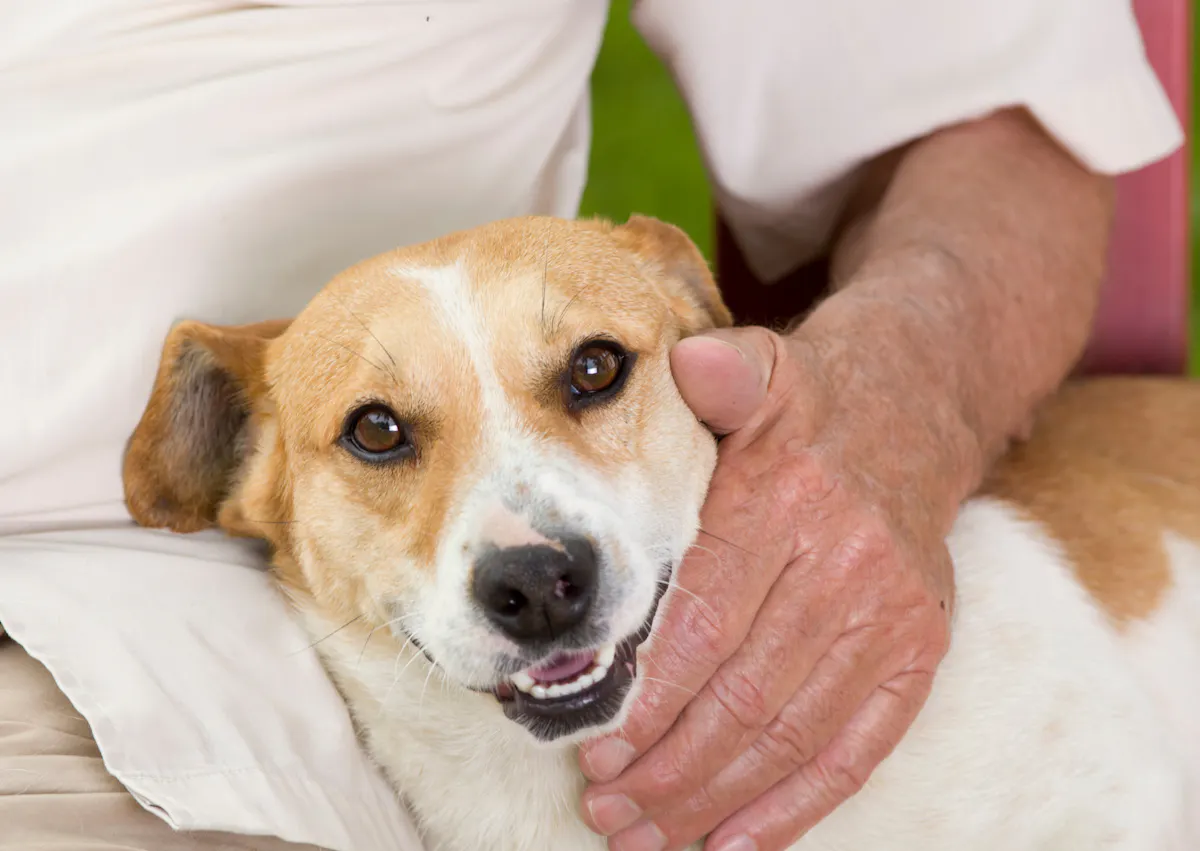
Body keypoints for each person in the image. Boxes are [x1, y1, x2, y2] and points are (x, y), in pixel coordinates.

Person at [0, 2, 1181, 851]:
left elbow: (1121, 799)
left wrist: (886, 423)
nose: (529, 553)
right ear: (249, 466)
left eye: (593, 372)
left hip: (98, 649)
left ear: (700, 341)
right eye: (382, 433)